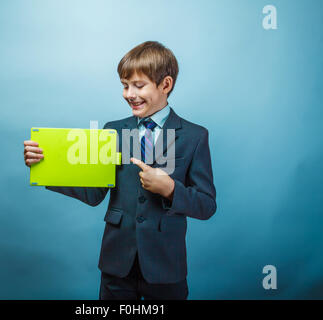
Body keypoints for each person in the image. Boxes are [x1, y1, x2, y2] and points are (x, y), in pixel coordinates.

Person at [23, 41, 217, 300]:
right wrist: (44, 167)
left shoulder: (194, 136)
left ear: (165, 85)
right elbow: (93, 192)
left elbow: (206, 205)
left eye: (138, 85)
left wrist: (170, 189)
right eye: (125, 86)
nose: (129, 94)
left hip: (166, 266)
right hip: (117, 265)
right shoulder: (113, 131)